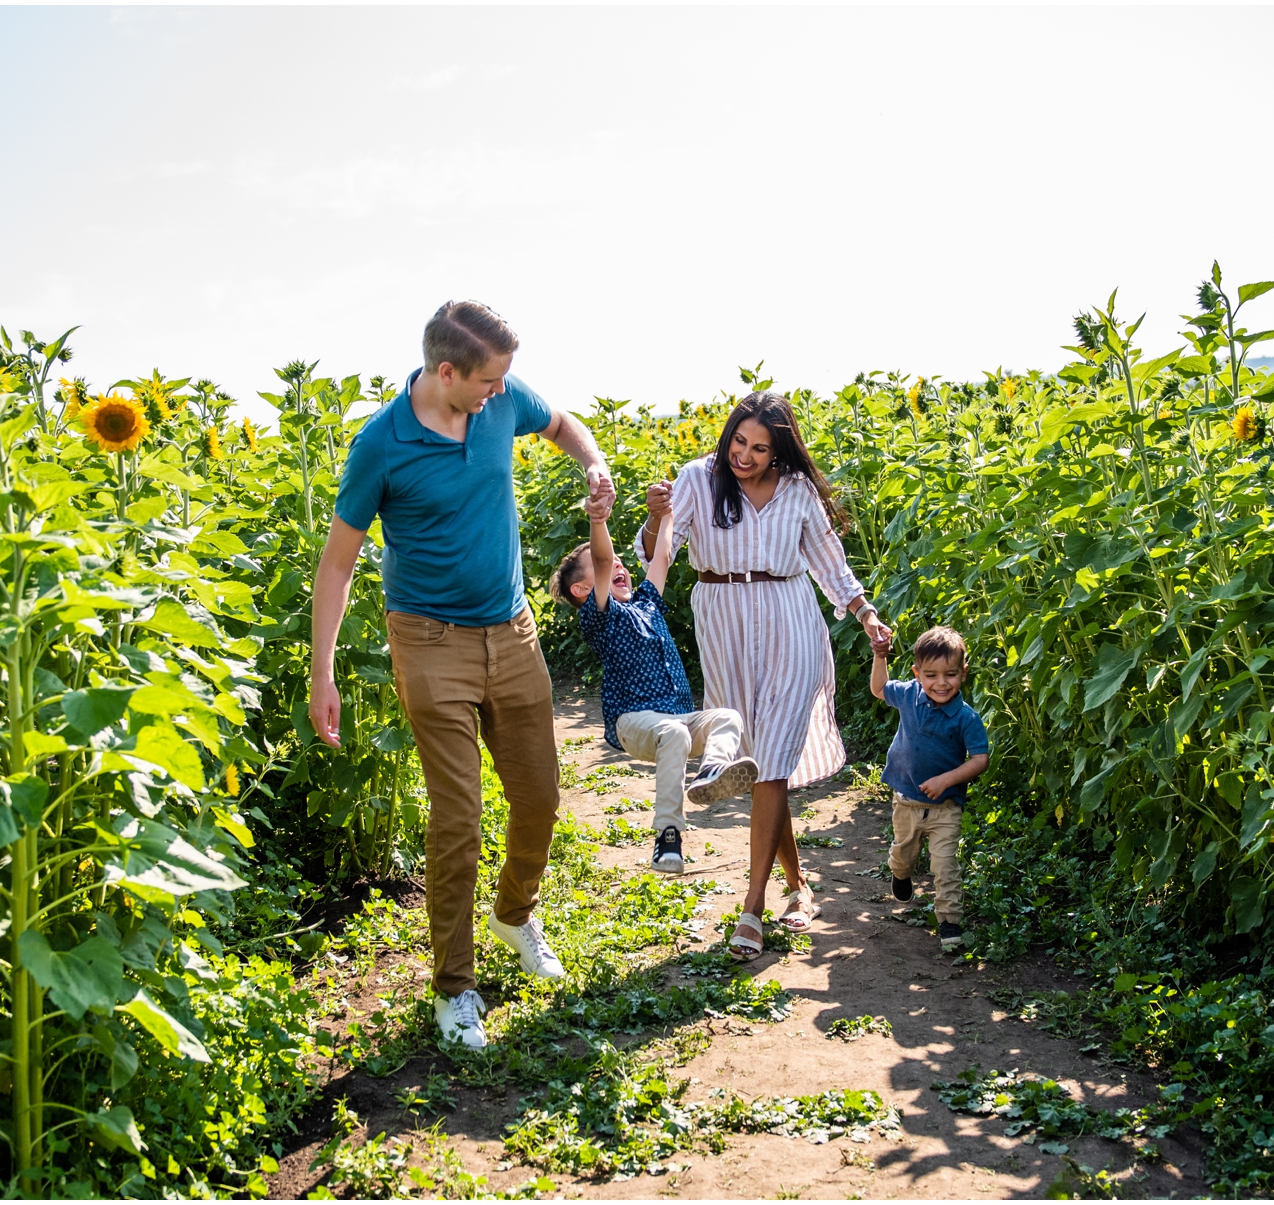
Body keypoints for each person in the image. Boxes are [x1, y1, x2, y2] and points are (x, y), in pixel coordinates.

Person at [309, 300, 615, 1049]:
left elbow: (562, 423)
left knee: (540, 796)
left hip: (512, 632)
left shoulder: (501, 398)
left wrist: (592, 459)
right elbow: (339, 562)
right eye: (486, 381)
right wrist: (323, 672)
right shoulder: (380, 446)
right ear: (446, 372)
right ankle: (454, 988)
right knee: (458, 817)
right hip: (428, 641)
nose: (499, 393)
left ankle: (515, 916)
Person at [643, 390, 891, 961]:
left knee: (772, 762)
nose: (745, 456)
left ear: (780, 450)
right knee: (757, 768)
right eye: (738, 441)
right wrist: (657, 519)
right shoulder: (697, 481)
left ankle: (751, 909)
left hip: (791, 624)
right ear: (727, 435)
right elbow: (659, 552)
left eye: (759, 447)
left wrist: (868, 616)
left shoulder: (798, 491)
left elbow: (831, 564)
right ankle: (800, 887)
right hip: (723, 626)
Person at [550, 503, 759, 872]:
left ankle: (712, 770)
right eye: (608, 562)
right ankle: (667, 839)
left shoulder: (647, 603)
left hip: (675, 718)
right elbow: (601, 559)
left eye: (620, 561)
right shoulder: (600, 617)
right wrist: (598, 518)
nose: (618, 565)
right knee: (675, 733)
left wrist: (667, 513)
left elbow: (662, 554)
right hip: (633, 721)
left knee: (727, 717)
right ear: (584, 587)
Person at [869, 625, 990, 952]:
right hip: (906, 801)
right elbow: (879, 688)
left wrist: (947, 779)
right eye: (931, 674)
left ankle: (949, 923)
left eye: (950, 674)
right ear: (917, 673)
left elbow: (980, 759)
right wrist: (880, 656)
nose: (941, 683)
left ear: (963, 673)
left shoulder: (965, 718)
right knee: (903, 853)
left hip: (945, 808)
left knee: (944, 865)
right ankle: (901, 873)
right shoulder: (908, 694)